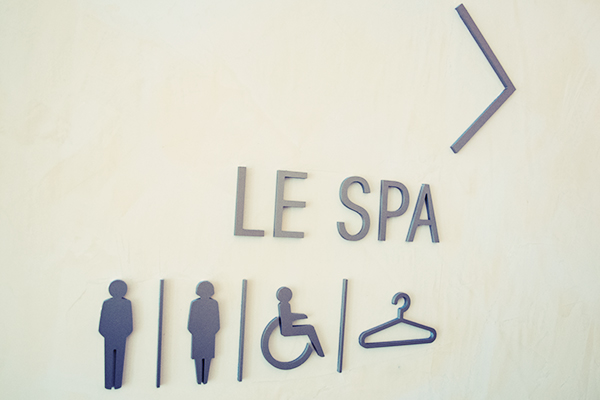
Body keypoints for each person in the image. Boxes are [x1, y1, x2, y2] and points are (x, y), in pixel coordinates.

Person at [99, 280, 133, 389]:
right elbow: (103, 321)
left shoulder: (126, 304)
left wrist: (126, 333)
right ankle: (109, 383)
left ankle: (116, 383)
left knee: (118, 359)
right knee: (110, 359)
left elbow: (129, 322)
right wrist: (105, 333)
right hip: (112, 335)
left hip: (119, 335)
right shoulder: (108, 304)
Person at [277, 287, 324, 357]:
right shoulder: (284, 306)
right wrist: (302, 316)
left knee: (310, 328)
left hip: (288, 328)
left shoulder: (285, 305)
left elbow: (288, 316)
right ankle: (320, 352)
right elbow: (288, 317)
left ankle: (319, 351)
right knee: (310, 329)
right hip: (287, 330)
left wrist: (302, 316)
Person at [188, 281, 220, 384]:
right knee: (200, 357)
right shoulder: (196, 304)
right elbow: (191, 323)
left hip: (206, 336)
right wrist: (196, 332)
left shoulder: (213, 304)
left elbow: (216, 323)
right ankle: (200, 379)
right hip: (201, 336)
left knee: (206, 357)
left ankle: (204, 379)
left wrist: (210, 332)